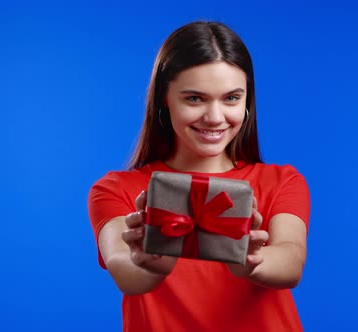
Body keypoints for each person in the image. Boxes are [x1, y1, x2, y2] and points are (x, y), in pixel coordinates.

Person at [88, 20, 310, 332]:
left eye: (231, 98)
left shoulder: (283, 181)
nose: (215, 118)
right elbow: (125, 273)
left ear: (248, 100)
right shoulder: (115, 190)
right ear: (165, 98)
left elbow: (291, 261)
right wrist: (152, 261)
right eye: (195, 98)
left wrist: (248, 260)